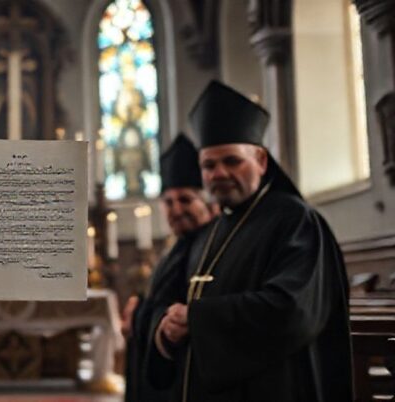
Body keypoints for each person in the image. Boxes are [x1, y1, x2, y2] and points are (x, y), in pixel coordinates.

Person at [148, 81, 352, 401]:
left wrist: (198, 320)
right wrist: (166, 330)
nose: (219, 173)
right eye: (209, 165)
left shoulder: (295, 221)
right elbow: (179, 303)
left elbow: (292, 310)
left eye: (232, 161)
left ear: (261, 160)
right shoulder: (210, 232)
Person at [124, 134, 217, 402]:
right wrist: (138, 306)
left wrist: (140, 313)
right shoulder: (176, 248)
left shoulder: (213, 245)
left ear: (207, 204)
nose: (176, 209)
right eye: (168, 202)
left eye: (186, 200)